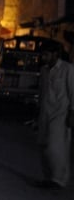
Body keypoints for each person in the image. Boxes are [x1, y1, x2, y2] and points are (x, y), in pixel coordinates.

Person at [34, 42, 74, 190]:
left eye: (46, 54)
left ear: (55, 54)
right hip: (45, 113)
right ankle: (48, 178)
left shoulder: (68, 69)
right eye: (43, 54)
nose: (44, 57)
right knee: (43, 146)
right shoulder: (44, 70)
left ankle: (59, 180)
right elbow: (42, 92)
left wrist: (72, 113)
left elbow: (73, 92)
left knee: (55, 147)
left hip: (61, 114)